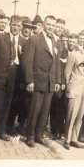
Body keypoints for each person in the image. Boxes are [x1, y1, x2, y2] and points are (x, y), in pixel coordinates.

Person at [23, 15, 61, 147]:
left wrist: (57, 81)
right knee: (34, 111)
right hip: (38, 81)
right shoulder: (35, 39)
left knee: (45, 112)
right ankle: (30, 136)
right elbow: (27, 61)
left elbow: (56, 63)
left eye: (53, 25)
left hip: (50, 82)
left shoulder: (54, 41)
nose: (51, 27)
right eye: (49, 24)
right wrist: (29, 81)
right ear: (44, 24)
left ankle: (39, 135)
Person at [0, 15, 26, 142]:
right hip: (0, 76)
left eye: (18, 26)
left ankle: (2, 131)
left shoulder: (23, 41)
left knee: (8, 105)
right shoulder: (0, 37)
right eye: (14, 25)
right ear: (10, 25)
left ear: (21, 27)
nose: (15, 27)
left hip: (14, 77)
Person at [63, 37, 84, 150]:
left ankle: (74, 139)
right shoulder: (74, 55)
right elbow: (67, 72)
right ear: (83, 43)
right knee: (71, 115)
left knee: (79, 117)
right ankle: (67, 140)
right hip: (75, 89)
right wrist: (69, 87)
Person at [49, 29, 69, 140]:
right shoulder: (57, 47)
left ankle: (60, 129)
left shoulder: (66, 50)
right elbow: (58, 67)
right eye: (63, 40)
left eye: (67, 40)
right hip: (57, 82)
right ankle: (54, 130)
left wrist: (64, 82)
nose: (65, 42)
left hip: (64, 83)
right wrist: (60, 81)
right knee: (55, 106)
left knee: (61, 107)